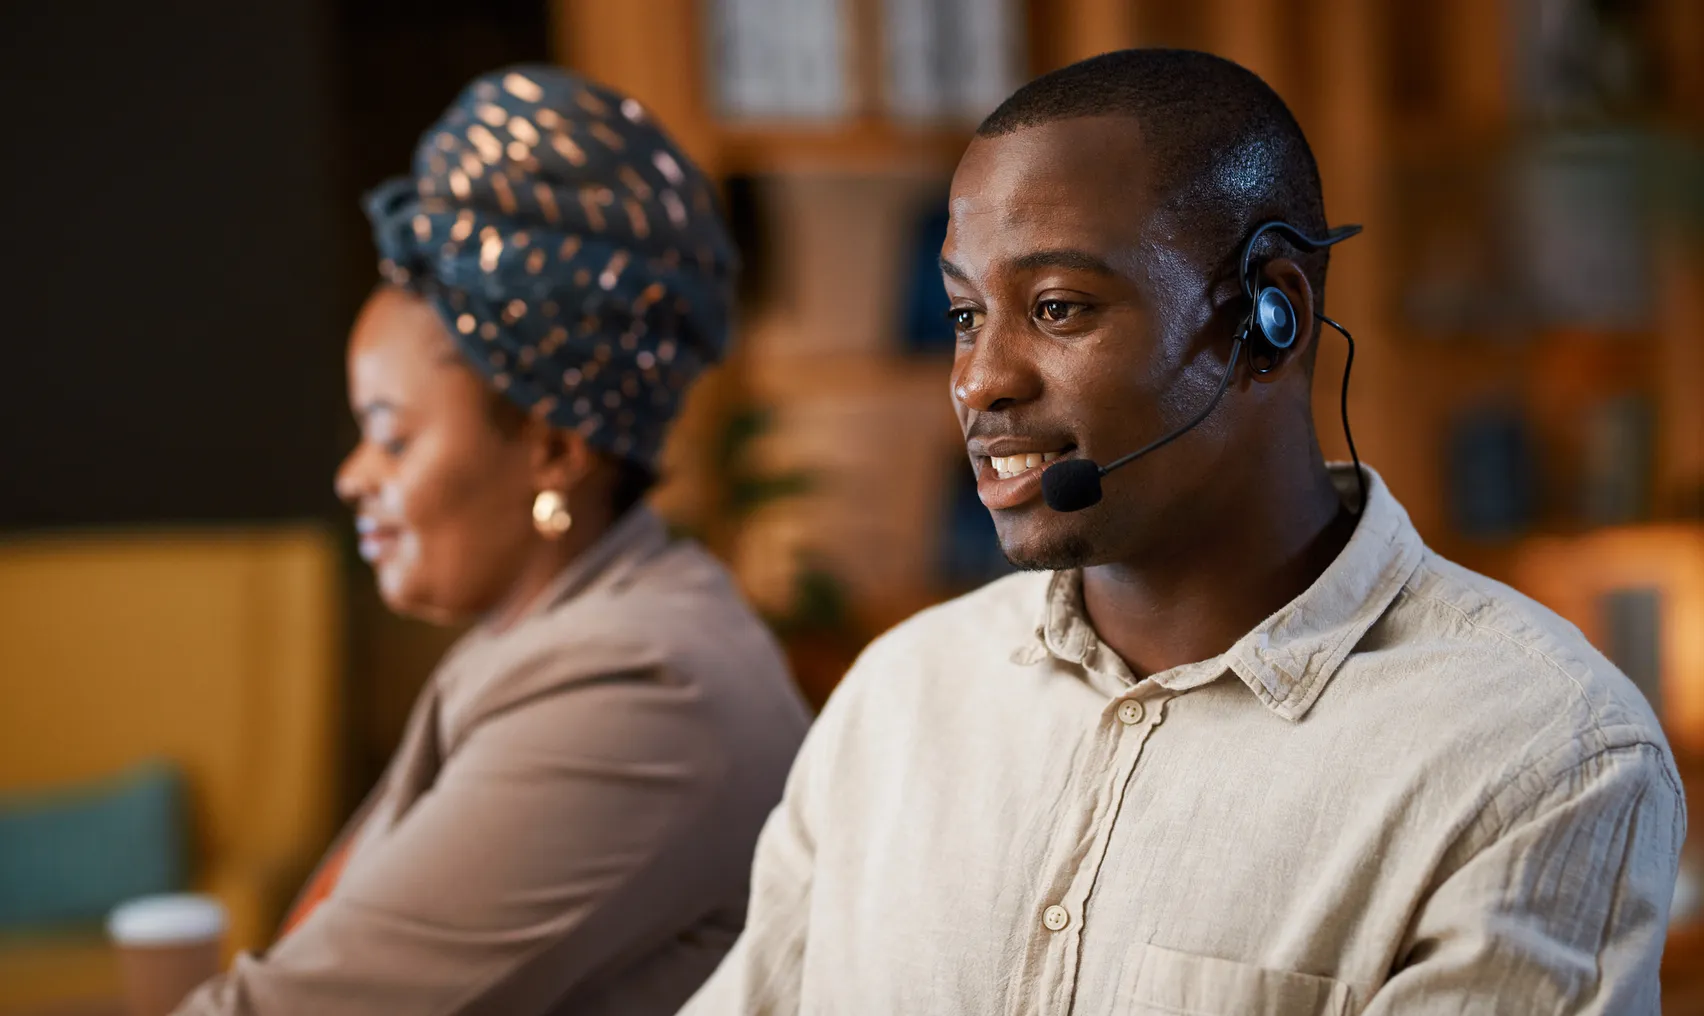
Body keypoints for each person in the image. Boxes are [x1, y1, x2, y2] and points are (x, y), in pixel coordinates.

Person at [682, 49, 1683, 1015]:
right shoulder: (898, 700)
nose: (981, 378)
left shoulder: (1539, 754)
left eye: (1058, 307)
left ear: (1268, 318)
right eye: (963, 314)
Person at [176, 65, 810, 1015]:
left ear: (554, 448)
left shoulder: (640, 691)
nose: (354, 477)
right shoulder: (565, 625)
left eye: (392, 436)